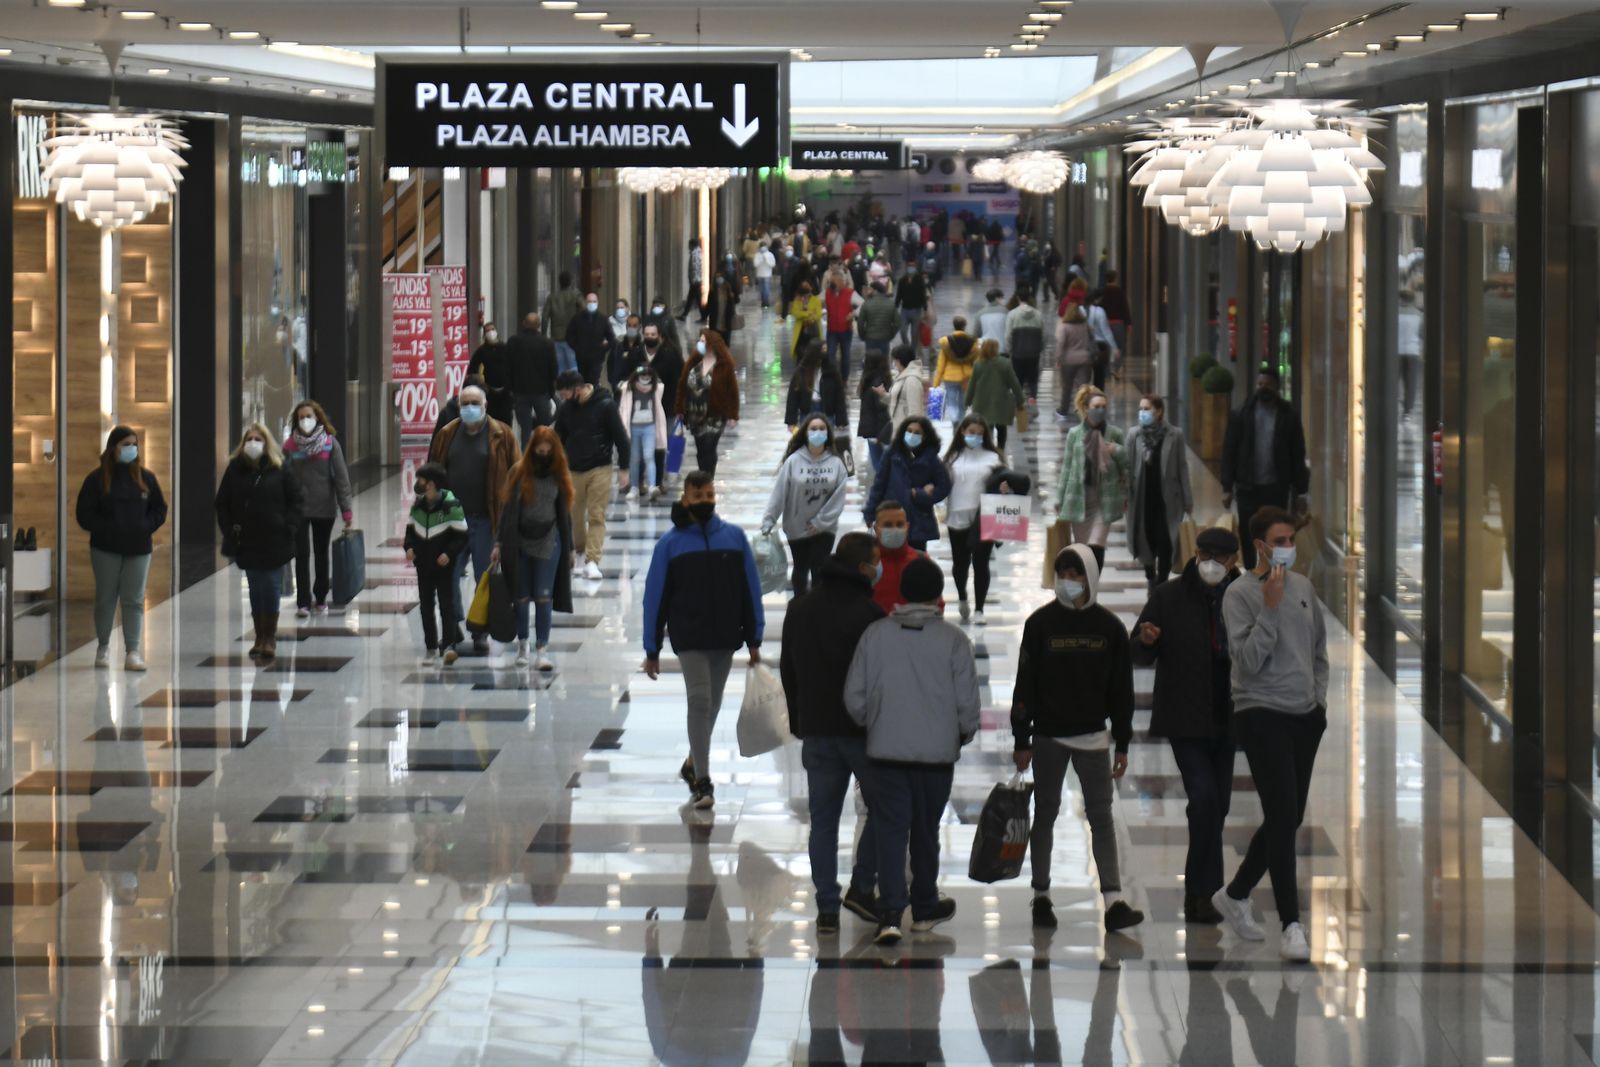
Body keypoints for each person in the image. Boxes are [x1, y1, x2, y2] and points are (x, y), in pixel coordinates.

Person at [1212, 506, 1328, 963]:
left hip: (1305, 715)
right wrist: (1271, 608)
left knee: (1289, 817)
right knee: (1281, 815)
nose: (1288, 548)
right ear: (1259, 545)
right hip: (1260, 713)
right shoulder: (1239, 594)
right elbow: (1247, 661)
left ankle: (1236, 893)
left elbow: (1318, 650)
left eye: (1291, 540)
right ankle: (1291, 924)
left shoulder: (1303, 587)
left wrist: (1319, 702)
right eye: (1279, 541)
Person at [845, 556, 978, 945]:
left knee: (889, 831)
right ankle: (923, 906)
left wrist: (875, 724)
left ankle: (889, 914)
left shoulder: (875, 635)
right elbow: (968, 705)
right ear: (938, 595)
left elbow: (854, 697)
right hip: (936, 757)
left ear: (901, 592)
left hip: (886, 754)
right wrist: (960, 734)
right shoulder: (954, 640)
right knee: (925, 831)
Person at [1013, 544, 1142, 933]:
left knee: (1101, 817)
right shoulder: (1039, 624)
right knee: (1046, 814)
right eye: (1063, 574)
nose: (1068, 582)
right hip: (1048, 736)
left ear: (1091, 578)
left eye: (1076, 574)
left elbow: (1121, 690)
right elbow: (1025, 684)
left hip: (1093, 737)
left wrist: (1123, 741)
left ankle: (1113, 900)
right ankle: (1041, 895)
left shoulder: (1109, 628)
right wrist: (1022, 739)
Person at [1132, 526, 1241, 925]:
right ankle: (1204, 893)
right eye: (1205, 555)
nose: (1211, 564)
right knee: (1205, 799)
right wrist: (1146, 640)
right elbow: (1137, 651)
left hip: (1228, 717)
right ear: (1196, 554)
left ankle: (1201, 892)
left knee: (1216, 806)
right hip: (1184, 717)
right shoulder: (1169, 596)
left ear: (1233, 560)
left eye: (1220, 558)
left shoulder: (1244, 596)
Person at [642, 471, 765, 810]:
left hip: (725, 636)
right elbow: (654, 598)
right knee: (699, 701)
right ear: (685, 499)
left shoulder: (734, 538)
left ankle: (692, 763)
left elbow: (750, 588)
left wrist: (754, 637)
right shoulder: (670, 544)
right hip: (690, 636)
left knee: (712, 705)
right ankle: (703, 782)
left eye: (709, 495)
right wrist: (651, 648)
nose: (705, 501)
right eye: (698, 496)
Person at [428, 382, 519, 649]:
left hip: (487, 519)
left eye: (474, 403)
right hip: (452, 520)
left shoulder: (502, 434)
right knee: (448, 574)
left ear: (485, 405)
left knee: (484, 577)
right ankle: (453, 624)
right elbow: (433, 472)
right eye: (464, 403)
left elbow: (517, 475)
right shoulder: (447, 434)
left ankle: (480, 630)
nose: (469, 408)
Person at [75, 425, 166, 671]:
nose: (131, 448)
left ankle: (132, 651)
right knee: (106, 598)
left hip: (139, 548)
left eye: (134, 444)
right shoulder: (96, 479)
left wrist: (145, 526)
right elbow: (84, 514)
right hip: (105, 548)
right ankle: (103, 647)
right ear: (113, 448)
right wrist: (107, 527)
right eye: (126, 444)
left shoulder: (146, 478)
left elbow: (159, 509)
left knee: (134, 600)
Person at [215, 424, 303, 664]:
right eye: (249, 439)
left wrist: (290, 526)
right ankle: (259, 636)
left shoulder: (280, 467)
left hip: (276, 539)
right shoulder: (235, 469)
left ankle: (269, 637)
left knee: (271, 586)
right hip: (247, 539)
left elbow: (296, 499)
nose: (253, 443)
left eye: (258, 439)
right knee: (255, 588)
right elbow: (222, 503)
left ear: (266, 443)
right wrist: (229, 529)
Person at [495, 427, 576, 671]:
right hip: (518, 540)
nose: (544, 456)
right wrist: (498, 543)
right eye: (540, 451)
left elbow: (565, 515)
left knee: (543, 596)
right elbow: (507, 510)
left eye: (548, 452)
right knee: (520, 597)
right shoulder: (518, 472)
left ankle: (542, 650)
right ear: (532, 450)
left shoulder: (559, 474)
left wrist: (570, 548)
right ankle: (523, 645)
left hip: (549, 540)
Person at [1220, 366, 1310, 569]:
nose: (1263, 388)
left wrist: (1301, 491)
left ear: (1277, 387)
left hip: (1276, 487)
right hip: (1247, 486)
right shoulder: (1241, 414)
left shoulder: (1288, 416)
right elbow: (1229, 451)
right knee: (1248, 532)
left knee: (1275, 532)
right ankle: (1251, 570)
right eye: (1260, 384)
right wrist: (1227, 487)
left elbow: (1297, 454)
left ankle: (1272, 570)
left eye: (1268, 385)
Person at [551, 370, 629, 581]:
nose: (563, 398)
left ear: (577, 389)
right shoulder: (566, 409)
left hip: (600, 467)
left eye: (565, 393)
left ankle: (592, 560)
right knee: (574, 516)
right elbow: (558, 437)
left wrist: (624, 468)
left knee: (596, 514)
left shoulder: (606, 405)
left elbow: (621, 437)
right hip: (573, 469)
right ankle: (579, 551)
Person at [762, 415, 850, 597]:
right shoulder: (793, 461)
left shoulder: (836, 463)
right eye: (813, 429)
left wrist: (820, 522)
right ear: (805, 433)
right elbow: (779, 493)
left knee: (820, 570)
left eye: (822, 429)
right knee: (800, 569)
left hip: (825, 529)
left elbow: (838, 498)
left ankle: (818, 608)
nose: (818, 432)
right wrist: (769, 520)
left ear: (828, 433)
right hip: (797, 526)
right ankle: (799, 606)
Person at [282, 401, 354, 619]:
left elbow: (341, 478)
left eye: (309, 416)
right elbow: (282, 479)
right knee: (301, 555)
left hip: (324, 508)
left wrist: (346, 510)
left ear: (317, 418)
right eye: (301, 417)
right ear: (296, 421)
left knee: (321, 554)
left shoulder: (330, 443)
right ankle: (303, 602)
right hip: (299, 509)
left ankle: (321, 597)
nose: (305, 420)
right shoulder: (290, 446)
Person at [1054, 385, 1127, 574]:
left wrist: (1116, 450)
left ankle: (1093, 583)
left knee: (1096, 545)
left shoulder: (1114, 433)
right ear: (1086, 408)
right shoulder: (1074, 434)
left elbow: (1127, 465)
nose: (1101, 410)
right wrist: (1059, 498)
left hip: (1105, 500)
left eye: (1104, 406)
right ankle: (1086, 583)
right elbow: (1067, 468)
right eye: (1096, 406)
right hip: (1079, 499)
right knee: (1083, 549)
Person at [944, 416, 1009, 625]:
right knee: (960, 563)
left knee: (981, 564)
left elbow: (1006, 483)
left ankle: (980, 608)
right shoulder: (952, 458)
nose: (976, 437)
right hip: (957, 515)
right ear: (963, 431)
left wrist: (1005, 488)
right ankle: (962, 596)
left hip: (984, 516)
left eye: (980, 434)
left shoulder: (993, 458)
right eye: (972, 432)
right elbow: (943, 485)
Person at [405, 462, 469, 668]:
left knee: (446, 605)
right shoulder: (418, 506)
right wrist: (409, 547)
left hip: (444, 567)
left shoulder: (451, 506)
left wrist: (449, 553)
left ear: (432, 484)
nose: (418, 484)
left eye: (421, 480)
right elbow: (409, 532)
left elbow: (461, 536)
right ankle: (431, 647)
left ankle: (449, 645)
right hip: (423, 566)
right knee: (425, 607)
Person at [1127, 395, 1194, 589]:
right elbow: (1128, 466)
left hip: (1168, 499)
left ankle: (1161, 582)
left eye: (1146, 409)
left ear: (1159, 411)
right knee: (1145, 539)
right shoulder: (1134, 434)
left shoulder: (1175, 435)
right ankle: (1150, 576)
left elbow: (1182, 467)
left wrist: (1188, 499)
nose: (1142, 412)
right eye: (1140, 408)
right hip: (1142, 498)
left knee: (1166, 541)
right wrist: (1124, 494)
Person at [864, 416, 950, 553]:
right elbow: (879, 484)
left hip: (918, 523)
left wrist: (921, 495)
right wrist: (870, 513)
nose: (912, 435)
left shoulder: (931, 459)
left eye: (917, 432)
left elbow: (944, 487)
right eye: (909, 431)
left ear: (925, 436)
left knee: (915, 561)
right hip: (891, 517)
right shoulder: (891, 453)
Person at [675, 330, 740, 476]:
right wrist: (679, 408)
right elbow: (682, 386)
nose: (700, 344)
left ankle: (708, 477)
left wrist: (733, 414)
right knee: (701, 449)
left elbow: (733, 390)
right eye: (700, 341)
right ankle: (703, 474)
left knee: (709, 446)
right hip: (695, 415)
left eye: (703, 341)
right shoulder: (693, 363)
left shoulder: (724, 365)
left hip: (716, 415)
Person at [506, 312, 559, 445]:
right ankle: (543, 449)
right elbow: (553, 368)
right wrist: (551, 390)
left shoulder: (513, 342)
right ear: (539, 325)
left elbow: (508, 367)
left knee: (525, 427)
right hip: (542, 391)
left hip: (520, 390)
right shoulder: (547, 343)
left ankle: (525, 451)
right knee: (544, 426)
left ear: (524, 323)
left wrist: (510, 388)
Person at [966, 339, 1026, 452]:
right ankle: (1000, 450)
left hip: (982, 403)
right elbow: (1014, 383)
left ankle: (988, 450)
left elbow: (972, 385)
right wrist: (1020, 399)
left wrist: (967, 401)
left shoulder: (978, 364)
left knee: (986, 428)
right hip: (1001, 402)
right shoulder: (1005, 363)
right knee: (1001, 428)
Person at [620, 365, 667, 504]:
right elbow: (623, 408)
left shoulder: (656, 388)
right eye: (642, 376)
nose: (645, 379)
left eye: (648, 376)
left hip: (650, 427)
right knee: (634, 459)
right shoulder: (628, 389)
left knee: (649, 456)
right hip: (633, 428)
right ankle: (634, 487)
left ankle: (652, 486)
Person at [785, 343, 848, 432]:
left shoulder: (832, 371)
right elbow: (793, 397)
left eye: (826, 349)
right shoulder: (801, 371)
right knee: (807, 438)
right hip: (807, 410)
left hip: (826, 411)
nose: (826, 352)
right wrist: (791, 421)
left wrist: (841, 421)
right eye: (823, 349)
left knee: (826, 439)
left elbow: (839, 396)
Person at [931, 316, 979, 423]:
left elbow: (940, 365)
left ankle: (954, 421)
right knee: (963, 404)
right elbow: (977, 362)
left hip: (950, 378)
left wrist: (936, 383)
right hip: (966, 377)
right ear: (964, 327)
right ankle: (960, 422)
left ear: (954, 326)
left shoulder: (946, 343)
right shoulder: (972, 343)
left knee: (951, 402)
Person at [566, 291, 616, 387]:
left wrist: (603, 349)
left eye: (594, 301)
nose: (592, 304)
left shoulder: (603, 319)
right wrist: (577, 348)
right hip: (582, 357)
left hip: (597, 358)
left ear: (597, 303)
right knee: (582, 382)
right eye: (589, 301)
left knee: (594, 383)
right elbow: (569, 335)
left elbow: (611, 338)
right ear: (586, 302)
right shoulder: (577, 318)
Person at [856, 348, 893, 478]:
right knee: (880, 465)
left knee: (879, 466)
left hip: (875, 431)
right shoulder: (877, 379)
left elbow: (881, 411)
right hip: (874, 430)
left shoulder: (874, 383)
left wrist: (880, 434)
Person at [1005, 288, 1046, 403]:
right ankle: (1032, 398)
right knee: (1033, 378)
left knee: (1018, 378)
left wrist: (1010, 350)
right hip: (1033, 353)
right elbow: (1043, 336)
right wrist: (1039, 349)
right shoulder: (1038, 315)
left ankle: (1018, 401)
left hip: (1018, 352)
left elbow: (1008, 336)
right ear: (1029, 298)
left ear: (1018, 298)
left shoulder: (1012, 315)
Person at [1054, 303, 1093, 422]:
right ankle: (1084, 409)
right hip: (1084, 359)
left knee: (1067, 387)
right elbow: (1091, 337)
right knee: (1083, 387)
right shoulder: (1085, 325)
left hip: (1068, 360)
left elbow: (1061, 344)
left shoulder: (1064, 326)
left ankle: (1064, 410)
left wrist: (1058, 359)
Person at [470, 322, 512, 426]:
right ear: (484, 334)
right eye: (488, 331)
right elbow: (472, 368)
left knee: (506, 418)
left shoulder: (505, 348)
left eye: (492, 329)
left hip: (505, 390)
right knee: (491, 419)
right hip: (489, 390)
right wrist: (479, 379)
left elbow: (513, 366)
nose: (491, 333)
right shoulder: (481, 351)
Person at [542, 272, 582, 376]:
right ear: (571, 282)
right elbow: (585, 310)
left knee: (560, 368)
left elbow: (545, 317)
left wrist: (544, 334)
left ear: (559, 282)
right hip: (572, 337)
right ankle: (573, 385)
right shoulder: (575, 295)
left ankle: (561, 385)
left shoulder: (552, 297)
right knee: (573, 367)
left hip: (557, 336)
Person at [822, 268, 858, 381]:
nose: (832, 284)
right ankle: (832, 377)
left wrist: (853, 314)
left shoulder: (850, 293)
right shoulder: (826, 293)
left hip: (846, 330)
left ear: (841, 281)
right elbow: (816, 301)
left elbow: (863, 305)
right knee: (830, 354)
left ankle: (844, 379)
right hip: (832, 330)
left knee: (845, 356)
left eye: (834, 281)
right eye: (831, 281)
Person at [885, 345, 927, 431]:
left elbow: (915, 409)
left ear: (900, 360)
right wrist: (883, 396)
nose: (894, 363)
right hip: (898, 427)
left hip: (906, 430)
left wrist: (912, 431)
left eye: (895, 360)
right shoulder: (901, 376)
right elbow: (898, 399)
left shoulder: (912, 380)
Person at [1099, 269, 1134, 356]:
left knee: (1106, 346)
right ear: (1115, 279)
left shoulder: (1103, 292)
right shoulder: (1120, 292)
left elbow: (1100, 306)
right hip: (1118, 323)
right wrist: (1129, 323)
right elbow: (1125, 308)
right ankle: (1117, 363)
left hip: (1106, 323)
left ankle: (1108, 362)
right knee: (1118, 347)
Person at [894, 265, 928, 349]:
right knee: (902, 331)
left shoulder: (919, 281)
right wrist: (896, 306)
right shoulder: (902, 281)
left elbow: (923, 295)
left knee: (914, 333)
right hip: (904, 310)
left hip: (916, 310)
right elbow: (899, 294)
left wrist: (925, 309)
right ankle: (907, 345)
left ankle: (912, 351)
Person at [789, 281, 823, 361]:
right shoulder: (797, 300)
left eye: (807, 286)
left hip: (813, 331)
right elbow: (795, 313)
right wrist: (808, 313)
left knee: (813, 355)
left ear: (811, 288)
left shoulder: (816, 300)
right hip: (800, 333)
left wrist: (807, 318)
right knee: (800, 355)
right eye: (803, 286)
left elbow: (818, 315)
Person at [703, 273, 738, 347]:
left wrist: (733, 315)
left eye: (720, 277)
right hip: (715, 323)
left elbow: (732, 306)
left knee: (726, 346)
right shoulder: (712, 292)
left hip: (726, 324)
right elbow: (709, 306)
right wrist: (704, 316)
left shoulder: (728, 290)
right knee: (715, 345)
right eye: (717, 277)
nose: (719, 279)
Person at [677, 237, 705, 321]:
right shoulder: (698, 253)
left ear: (692, 245)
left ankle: (685, 315)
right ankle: (686, 315)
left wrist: (693, 280)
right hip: (697, 280)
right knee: (694, 299)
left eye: (689, 245)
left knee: (693, 298)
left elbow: (695, 268)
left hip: (695, 281)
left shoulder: (695, 254)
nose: (688, 247)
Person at [753, 240, 777, 309]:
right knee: (761, 289)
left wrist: (766, 260)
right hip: (760, 274)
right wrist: (761, 260)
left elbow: (773, 264)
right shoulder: (757, 255)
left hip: (767, 275)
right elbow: (755, 264)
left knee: (766, 289)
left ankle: (766, 302)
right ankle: (763, 301)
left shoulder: (770, 254)